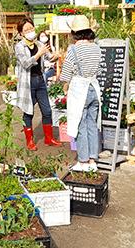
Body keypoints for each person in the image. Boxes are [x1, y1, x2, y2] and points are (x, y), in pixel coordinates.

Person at [59, 15, 103, 172]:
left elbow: (66, 72)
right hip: (94, 88)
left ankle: (83, 161)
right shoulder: (97, 47)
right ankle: (92, 160)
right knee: (92, 124)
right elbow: (99, 69)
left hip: (79, 89)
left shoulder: (73, 49)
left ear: (75, 33)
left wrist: (65, 87)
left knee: (79, 124)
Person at [13, 17, 61, 151]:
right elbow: (26, 63)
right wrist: (39, 54)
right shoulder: (19, 47)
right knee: (28, 112)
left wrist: (54, 57)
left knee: (47, 110)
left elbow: (47, 57)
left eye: (31, 28)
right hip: (28, 83)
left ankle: (49, 138)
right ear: (21, 33)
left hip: (40, 80)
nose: (30, 31)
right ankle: (30, 141)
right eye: (26, 29)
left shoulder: (38, 43)